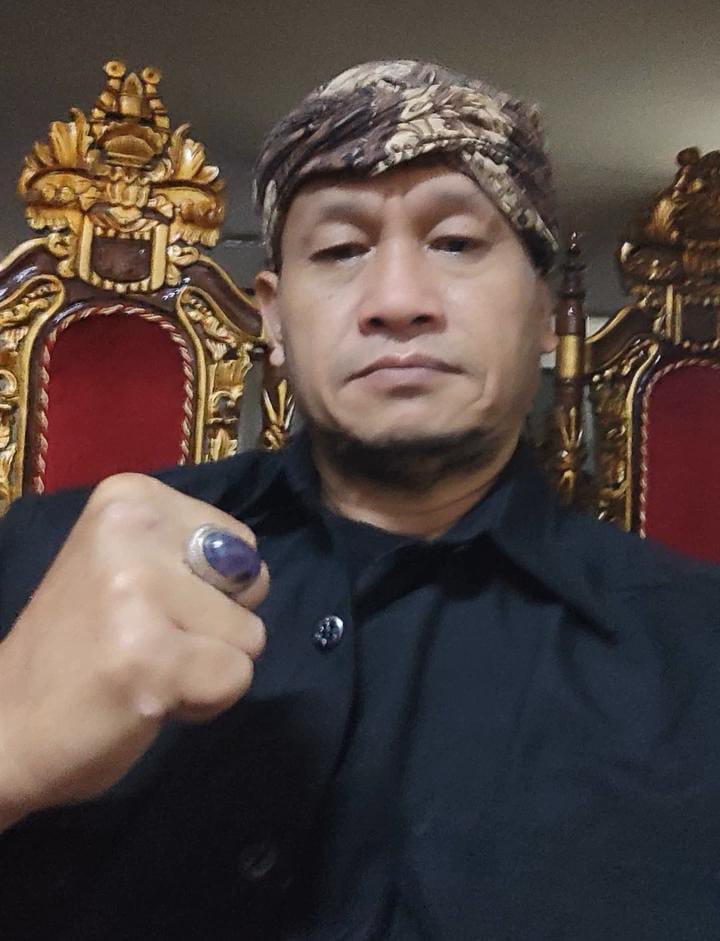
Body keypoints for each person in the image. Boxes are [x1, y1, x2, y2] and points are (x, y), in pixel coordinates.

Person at [0, 59, 719, 940]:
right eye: (340, 251)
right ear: (273, 316)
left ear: (545, 314)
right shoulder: (49, 563)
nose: (397, 302)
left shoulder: (697, 649)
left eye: (455, 243)